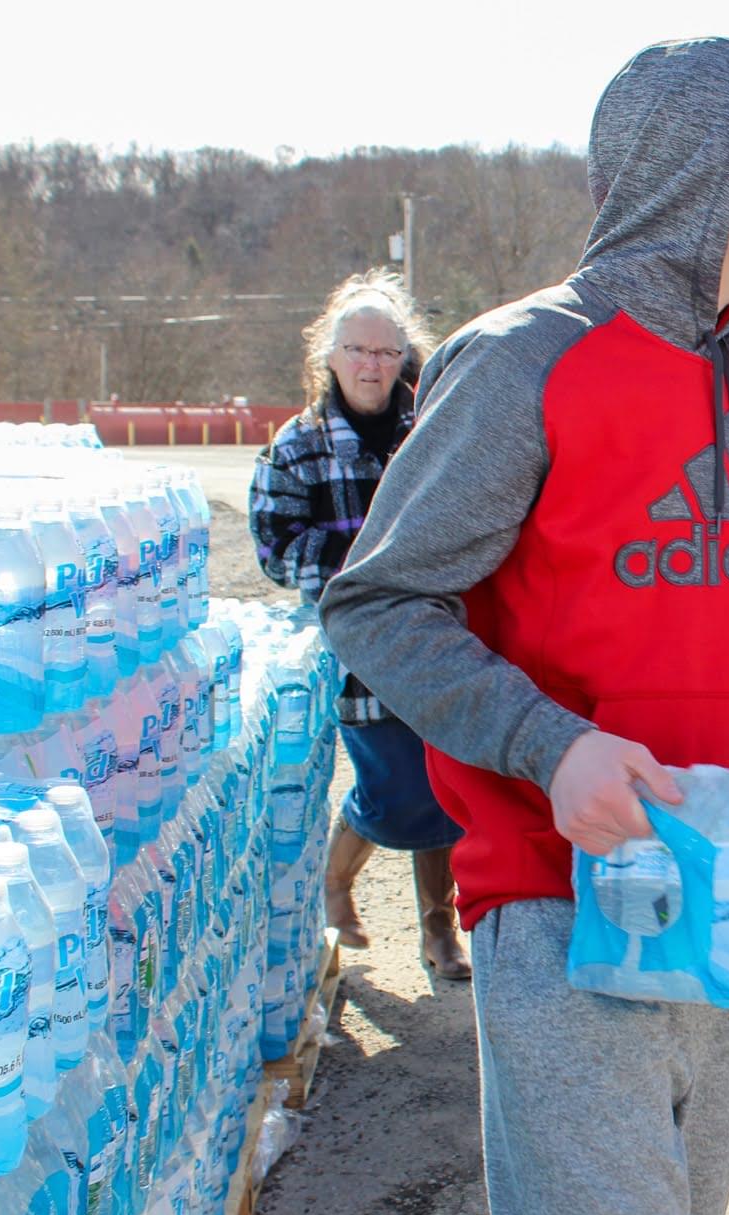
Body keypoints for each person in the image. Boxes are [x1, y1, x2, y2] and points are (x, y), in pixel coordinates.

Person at [319, 39, 729, 1215]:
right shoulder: (523, 360)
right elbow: (380, 605)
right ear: (713, 185)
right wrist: (552, 745)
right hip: (562, 909)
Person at [249, 269, 470, 979]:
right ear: (331, 355)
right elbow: (274, 547)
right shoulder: (297, 445)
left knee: (446, 784)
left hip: (440, 635)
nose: (372, 365)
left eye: (385, 352)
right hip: (357, 650)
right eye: (358, 350)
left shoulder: (434, 426)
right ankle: (337, 878)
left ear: (405, 355)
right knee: (396, 792)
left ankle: (440, 930)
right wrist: (361, 563)